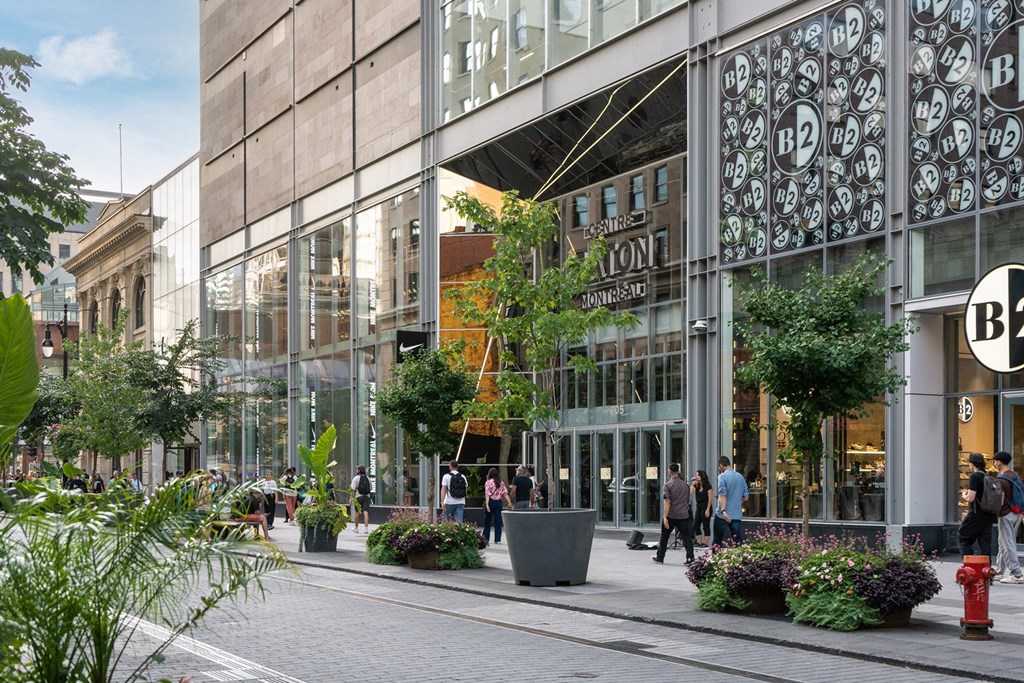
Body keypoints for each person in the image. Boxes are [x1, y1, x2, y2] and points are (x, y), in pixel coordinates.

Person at [652, 463, 696, 565]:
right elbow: (687, 498)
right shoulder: (685, 485)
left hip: (671, 515)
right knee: (687, 537)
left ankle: (660, 557)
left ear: (669, 471)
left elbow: (668, 501)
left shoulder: (668, 485)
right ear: (678, 471)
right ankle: (690, 557)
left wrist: (665, 516)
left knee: (664, 536)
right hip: (683, 515)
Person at [993, 451, 1023, 583]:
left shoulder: (1001, 479)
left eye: (995, 461)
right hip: (1017, 513)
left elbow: (1001, 499)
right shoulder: (1014, 475)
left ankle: (1016, 574)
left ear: (999, 462)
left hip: (1005, 514)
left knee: (1008, 543)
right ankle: (999, 571)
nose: (994, 463)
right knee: (1003, 542)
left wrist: (996, 511)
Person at [960, 452, 997, 557]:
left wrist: (964, 495)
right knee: (985, 543)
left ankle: (970, 566)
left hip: (976, 513)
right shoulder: (987, 475)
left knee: (963, 537)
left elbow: (971, 497)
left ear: (972, 464)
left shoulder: (975, 476)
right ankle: (986, 569)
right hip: (988, 513)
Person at [713, 456, 748, 545]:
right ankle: (739, 558)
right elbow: (746, 497)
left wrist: (723, 510)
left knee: (717, 540)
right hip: (736, 514)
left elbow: (722, 494)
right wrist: (736, 501)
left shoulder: (722, 477)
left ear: (721, 465)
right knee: (737, 541)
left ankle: (715, 558)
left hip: (722, 515)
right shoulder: (740, 476)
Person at [483, 467, 511, 543]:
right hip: (498, 503)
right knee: (498, 521)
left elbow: (487, 494)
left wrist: (487, 504)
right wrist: (509, 502)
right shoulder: (500, 482)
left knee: (487, 521)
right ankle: (497, 539)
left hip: (491, 502)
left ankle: (486, 538)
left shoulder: (488, 482)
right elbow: (505, 494)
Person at [691, 469, 713, 547]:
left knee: (705, 525)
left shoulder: (708, 485)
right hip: (699, 506)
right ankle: (699, 542)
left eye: (698, 475)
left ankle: (705, 543)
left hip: (706, 506)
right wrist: (692, 484)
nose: (696, 476)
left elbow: (710, 499)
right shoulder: (696, 485)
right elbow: (690, 493)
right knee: (696, 525)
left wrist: (707, 510)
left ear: (702, 476)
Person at [350, 464, 372, 533]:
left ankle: (356, 528)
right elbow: (370, 488)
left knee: (357, 512)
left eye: (357, 469)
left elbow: (352, 489)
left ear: (359, 470)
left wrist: (351, 498)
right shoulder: (368, 478)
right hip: (367, 497)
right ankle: (366, 528)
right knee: (366, 512)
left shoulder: (356, 478)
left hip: (358, 497)